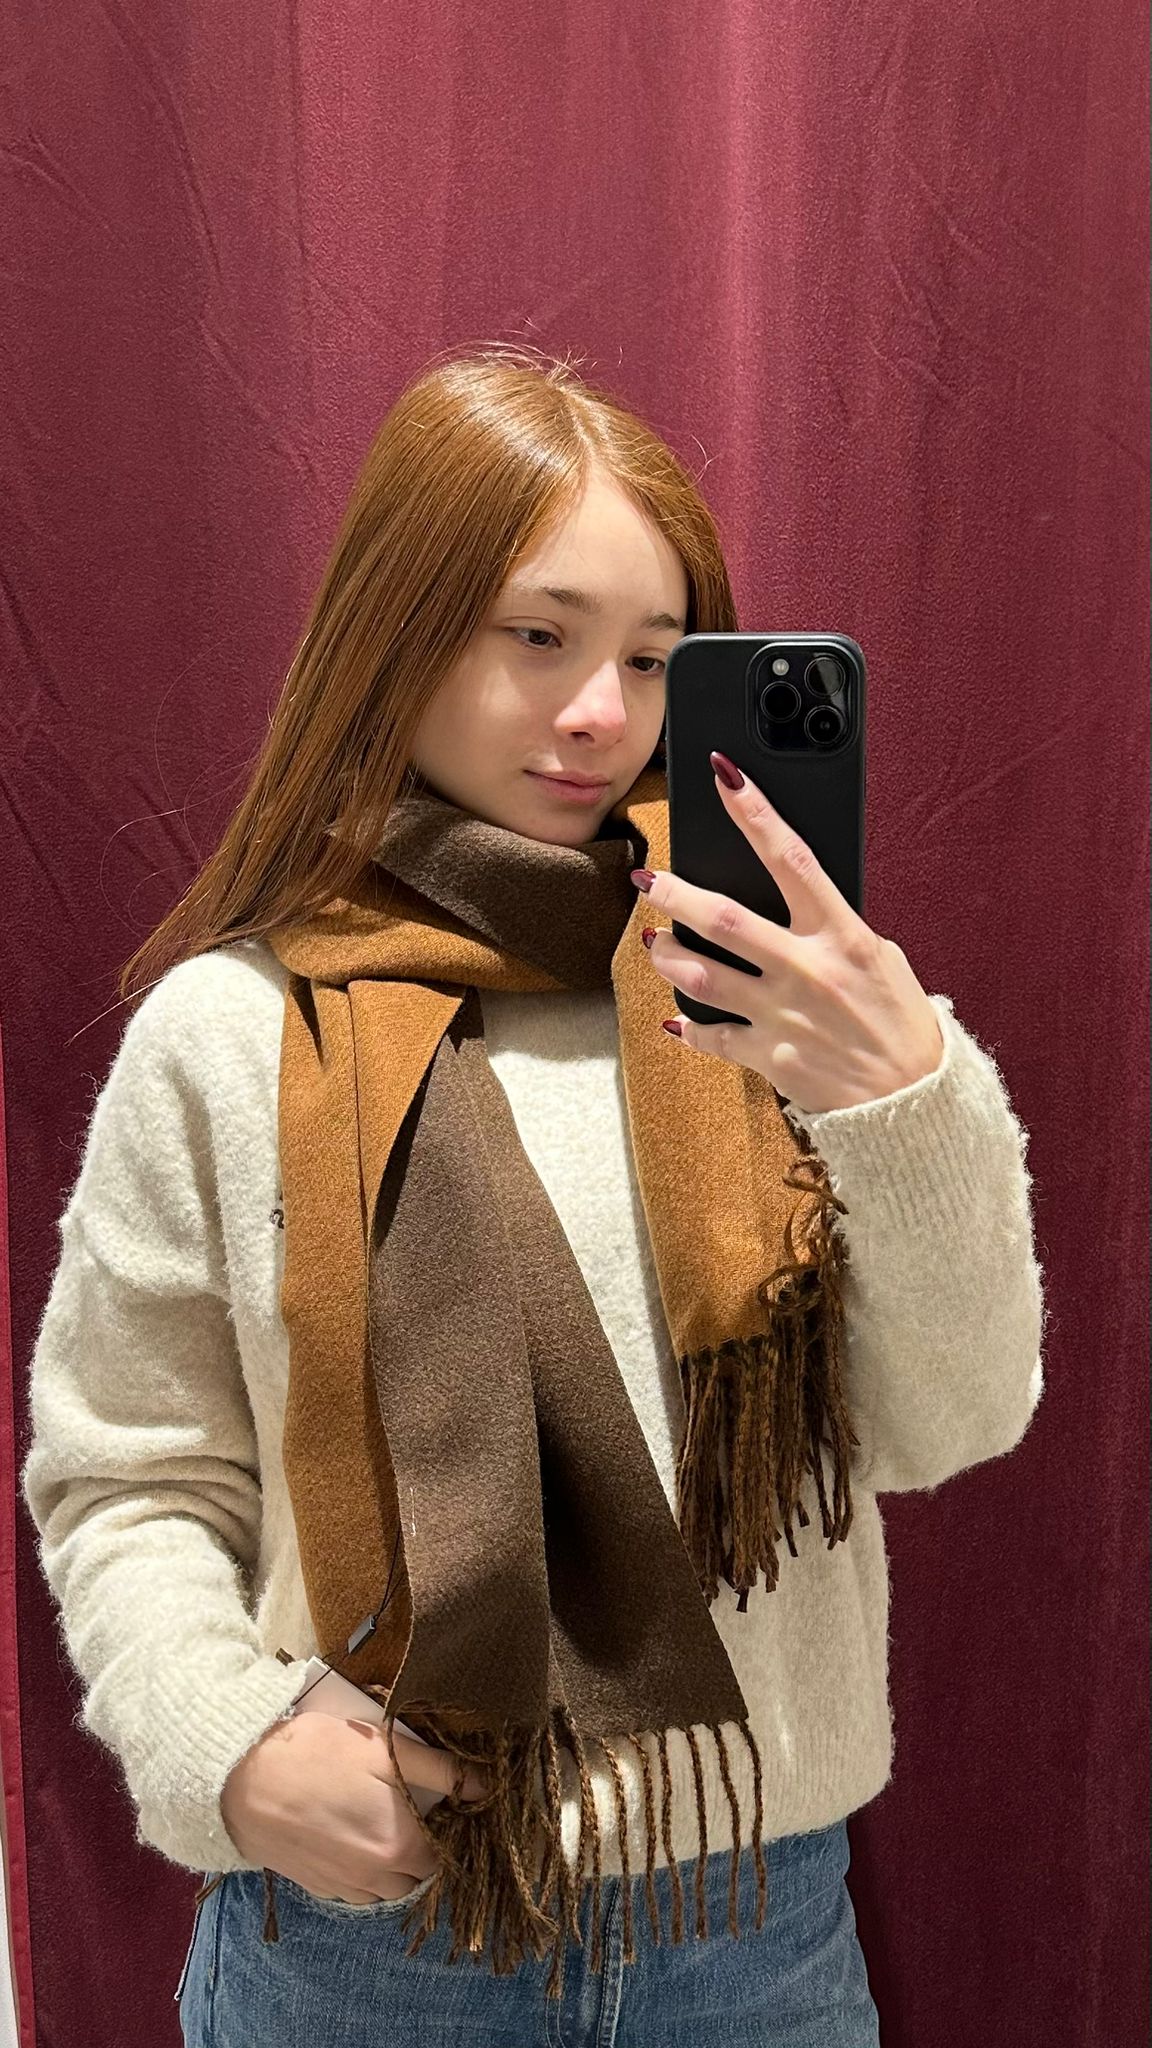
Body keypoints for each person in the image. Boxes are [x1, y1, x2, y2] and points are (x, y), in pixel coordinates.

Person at [21, 345, 1046, 2048]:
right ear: (400, 633)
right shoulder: (230, 1032)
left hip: (756, 1941)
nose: (600, 715)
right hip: (368, 1949)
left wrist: (906, 1103)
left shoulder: (791, 1007)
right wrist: (229, 1741)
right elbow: (129, 1475)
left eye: (652, 656)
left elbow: (955, 1421)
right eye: (536, 636)